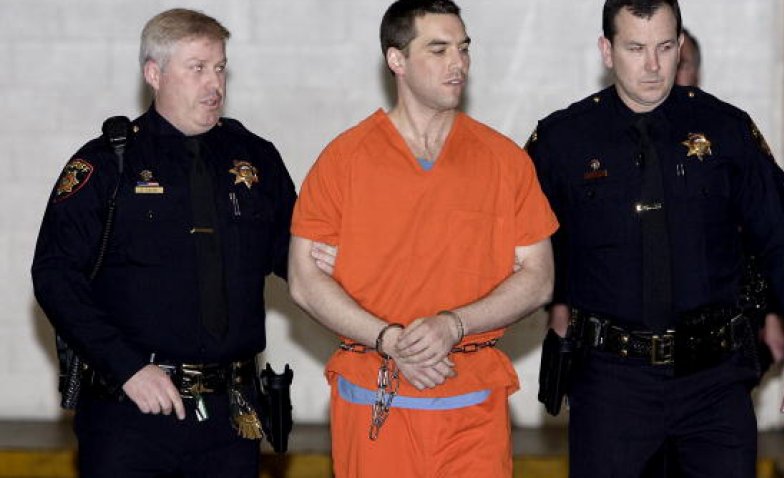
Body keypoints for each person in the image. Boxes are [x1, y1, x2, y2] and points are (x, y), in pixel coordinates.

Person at [526, 1, 784, 477]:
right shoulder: (562, 141)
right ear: (606, 51)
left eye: (665, 47)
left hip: (714, 381)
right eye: (636, 48)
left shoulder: (726, 130)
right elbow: (520, 250)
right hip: (611, 383)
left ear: (680, 46)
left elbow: (780, 243)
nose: (652, 65)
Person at [287, 0, 558, 476]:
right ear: (397, 60)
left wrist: (453, 325)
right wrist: (389, 338)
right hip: (376, 396)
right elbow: (304, 282)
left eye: (464, 49)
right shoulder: (344, 159)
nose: (458, 64)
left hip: (472, 405)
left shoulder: (504, 161)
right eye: (438, 50)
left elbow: (539, 279)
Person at [31, 9, 297, 477]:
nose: (213, 83)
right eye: (196, 68)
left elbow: (298, 261)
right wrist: (127, 367)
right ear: (153, 74)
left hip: (230, 418)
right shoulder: (107, 165)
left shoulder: (255, 159)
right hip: (132, 412)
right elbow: (55, 276)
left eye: (219, 67)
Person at [676, 27, 784, 372]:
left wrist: (773, 314)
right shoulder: (621, 139)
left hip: (727, 321)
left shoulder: (728, 135)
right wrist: (560, 308)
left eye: (684, 63)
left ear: (698, 71)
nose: (671, 70)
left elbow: (767, 234)